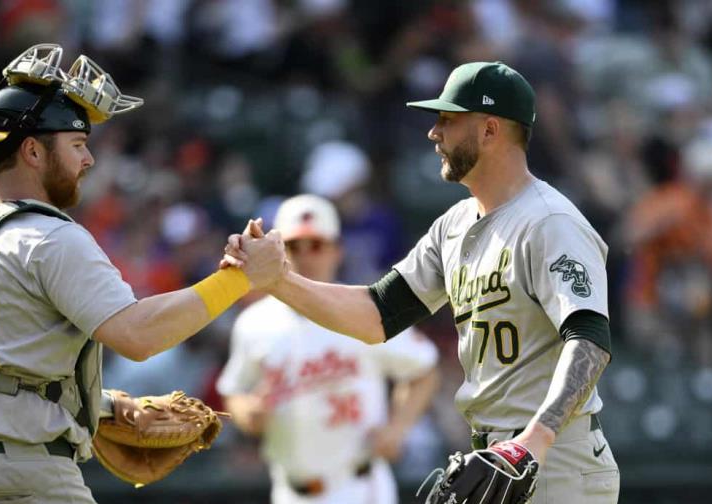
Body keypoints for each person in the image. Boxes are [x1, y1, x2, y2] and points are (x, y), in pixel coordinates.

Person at [226, 61, 620, 503]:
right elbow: (377, 314)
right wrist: (278, 282)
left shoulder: (550, 221)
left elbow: (589, 339)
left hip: (555, 459)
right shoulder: (452, 225)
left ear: (490, 130)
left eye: (448, 121)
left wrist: (534, 441)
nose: (434, 133)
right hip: (494, 457)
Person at [0, 44, 285, 504]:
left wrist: (105, 405)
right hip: (24, 476)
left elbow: (5, 365)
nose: (88, 160)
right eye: (77, 145)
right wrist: (241, 278)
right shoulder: (49, 236)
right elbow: (138, 335)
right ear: (32, 151)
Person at [217, 194, 440, 504]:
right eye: (295, 246)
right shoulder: (254, 323)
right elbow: (234, 390)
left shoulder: (361, 310)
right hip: (289, 491)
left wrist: (397, 428)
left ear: (337, 250)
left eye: (317, 245)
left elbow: (424, 369)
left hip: (361, 487)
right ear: (278, 252)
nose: (307, 256)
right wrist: (246, 413)